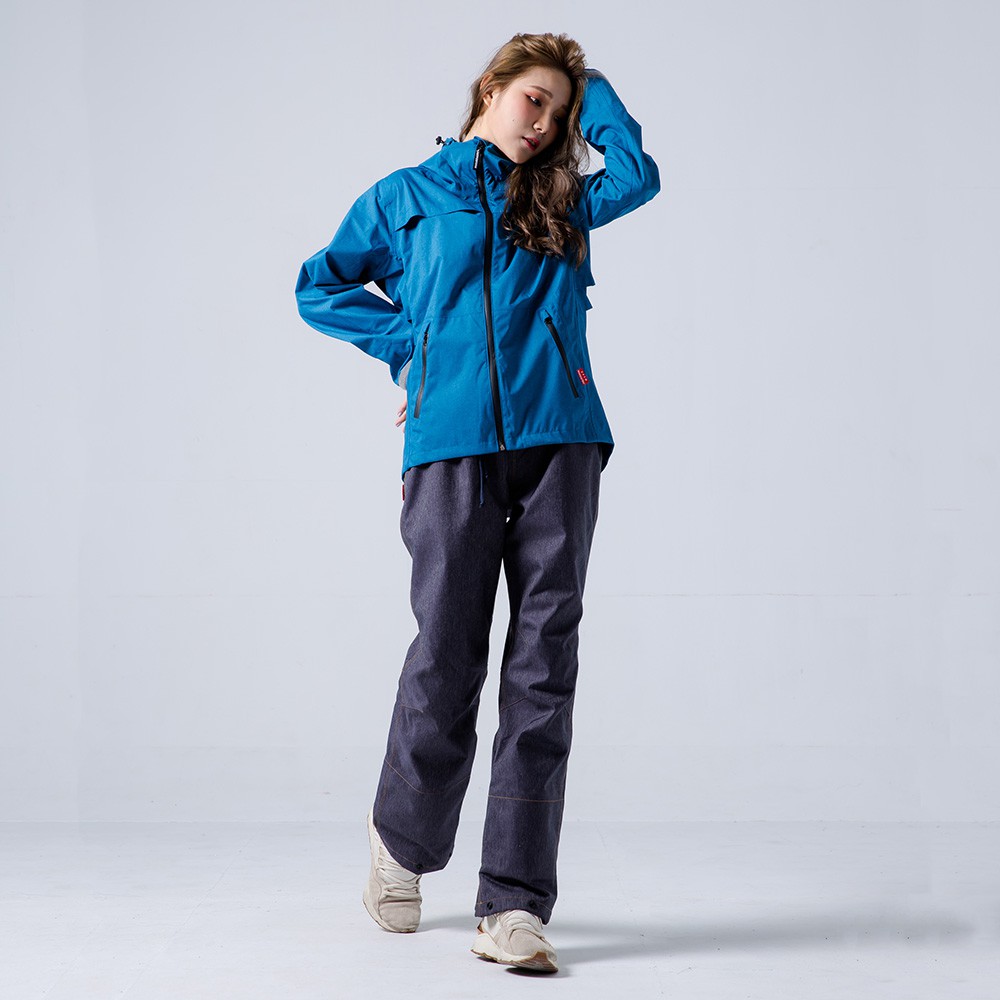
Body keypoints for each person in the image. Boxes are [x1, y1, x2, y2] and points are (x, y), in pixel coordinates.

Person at [294, 31, 659, 973]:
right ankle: (403, 842)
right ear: (490, 88)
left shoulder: (564, 198)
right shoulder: (405, 197)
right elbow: (319, 284)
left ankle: (514, 902)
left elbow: (640, 174)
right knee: (448, 656)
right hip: (448, 446)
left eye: (559, 114)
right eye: (534, 99)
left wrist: (590, 86)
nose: (544, 123)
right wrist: (409, 347)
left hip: (561, 440)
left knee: (544, 668)